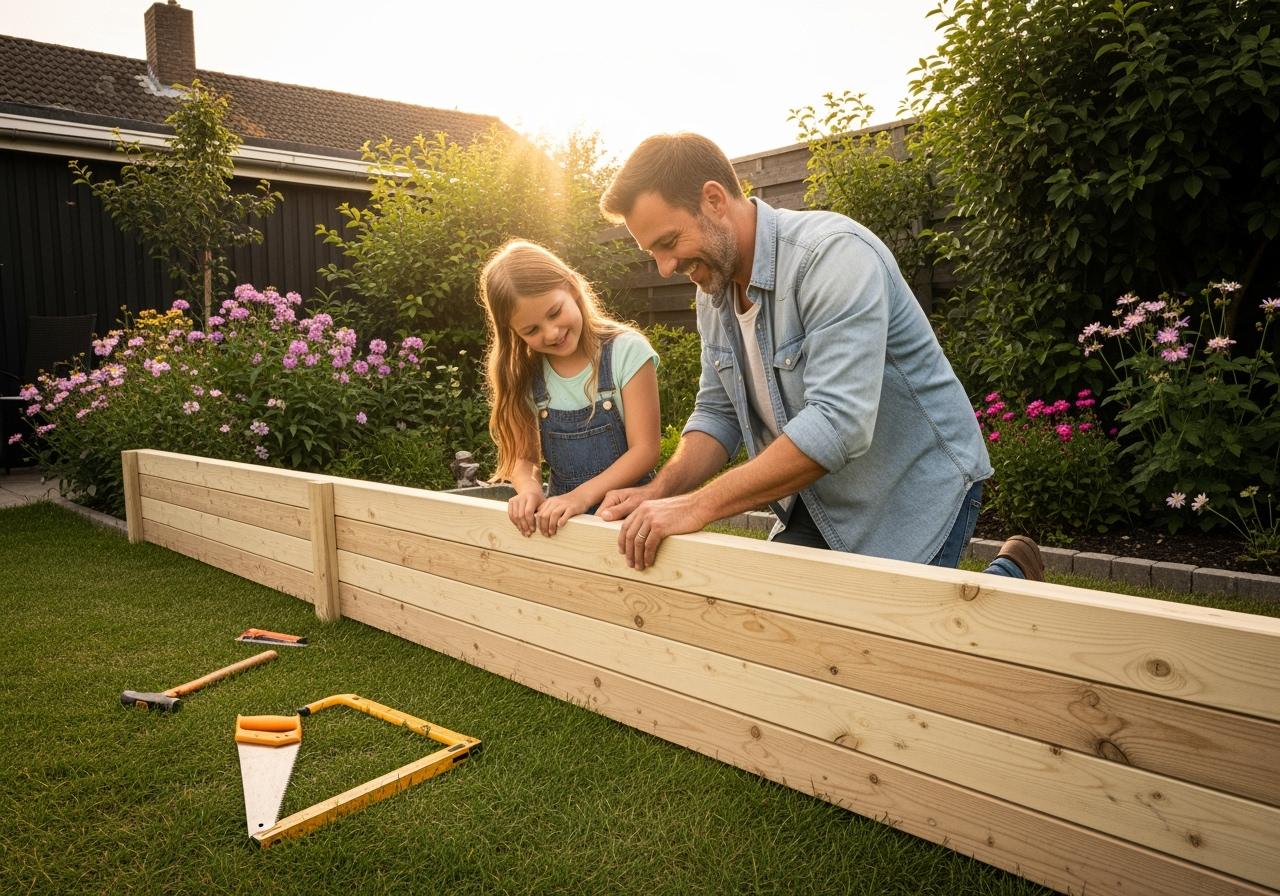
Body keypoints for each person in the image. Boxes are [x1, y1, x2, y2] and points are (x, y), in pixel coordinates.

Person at [594, 133, 1044, 581]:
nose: (665, 267)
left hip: (913, 491)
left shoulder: (832, 255)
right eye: (652, 251)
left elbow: (837, 423)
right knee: (782, 628)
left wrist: (697, 505)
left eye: (669, 241)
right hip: (820, 496)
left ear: (713, 199)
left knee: (897, 647)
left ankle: (1012, 575)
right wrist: (658, 492)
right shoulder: (712, 288)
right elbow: (717, 413)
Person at [479, 239, 662, 538]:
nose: (551, 333)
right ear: (514, 333)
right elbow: (524, 458)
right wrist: (529, 491)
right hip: (564, 528)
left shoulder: (626, 352)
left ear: (572, 289)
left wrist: (580, 497)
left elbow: (645, 451)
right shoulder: (525, 373)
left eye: (554, 313)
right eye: (531, 330)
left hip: (631, 520)